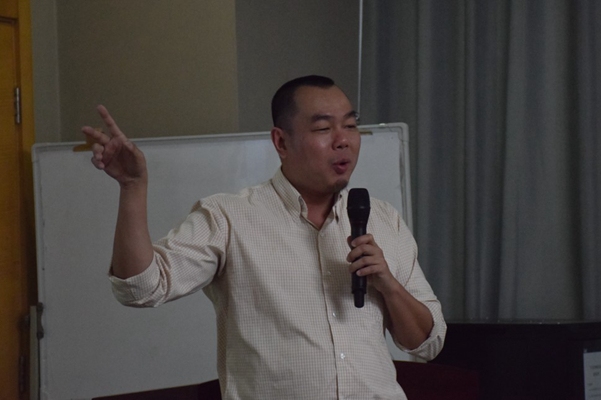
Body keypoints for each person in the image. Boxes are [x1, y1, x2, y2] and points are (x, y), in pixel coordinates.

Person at [82, 75, 446, 400]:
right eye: (323, 128)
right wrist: (132, 186)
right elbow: (141, 288)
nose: (343, 141)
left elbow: (427, 343)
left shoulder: (382, 219)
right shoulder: (229, 217)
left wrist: (389, 286)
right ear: (281, 142)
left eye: (351, 126)